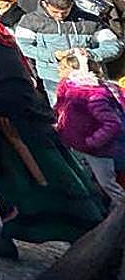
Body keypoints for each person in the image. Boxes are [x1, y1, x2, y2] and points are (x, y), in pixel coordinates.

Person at [0, 12, 106, 252]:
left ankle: (88, 238)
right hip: (0, 140)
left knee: (50, 187)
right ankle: (4, 237)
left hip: (23, 139)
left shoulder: (5, 61)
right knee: (10, 191)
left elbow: (18, 98)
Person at [16, 0, 124, 102]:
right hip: (53, 77)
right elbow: (22, 47)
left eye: (65, 12)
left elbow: (113, 46)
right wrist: (52, 55)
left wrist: (92, 54)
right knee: (62, 112)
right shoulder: (30, 21)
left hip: (89, 77)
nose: (60, 16)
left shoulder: (90, 20)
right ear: (45, 4)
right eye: (55, 12)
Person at [53, 50, 125, 204]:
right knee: (92, 179)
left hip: (98, 151)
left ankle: (120, 212)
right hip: (78, 145)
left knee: (109, 185)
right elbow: (63, 110)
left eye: (64, 67)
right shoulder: (68, 89)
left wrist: (92, 142)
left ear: (77, 70)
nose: (59, 70)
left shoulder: (93, 95)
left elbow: (112, 124)